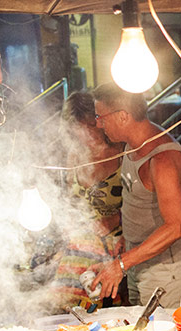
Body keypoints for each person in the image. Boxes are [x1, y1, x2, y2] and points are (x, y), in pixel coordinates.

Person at [91, 83, 181, 309]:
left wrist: (121, 264)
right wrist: (127, 240)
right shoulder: (131, 145)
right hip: (139, 261)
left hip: (166, 271)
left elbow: (175, 227)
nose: (98, 124)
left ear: (122, 116)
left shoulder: (162, 159)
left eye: (101, 116)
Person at [48, 91, 124, 312]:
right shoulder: (74, 155)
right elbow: (70, 202)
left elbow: (142, 202)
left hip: (118, 239)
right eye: (79, 128)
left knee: (100, 298)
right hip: (81, 241)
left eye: (92, 124)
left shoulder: (121, 150)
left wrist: (115, 219)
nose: (88, 133)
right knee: (62, 300)